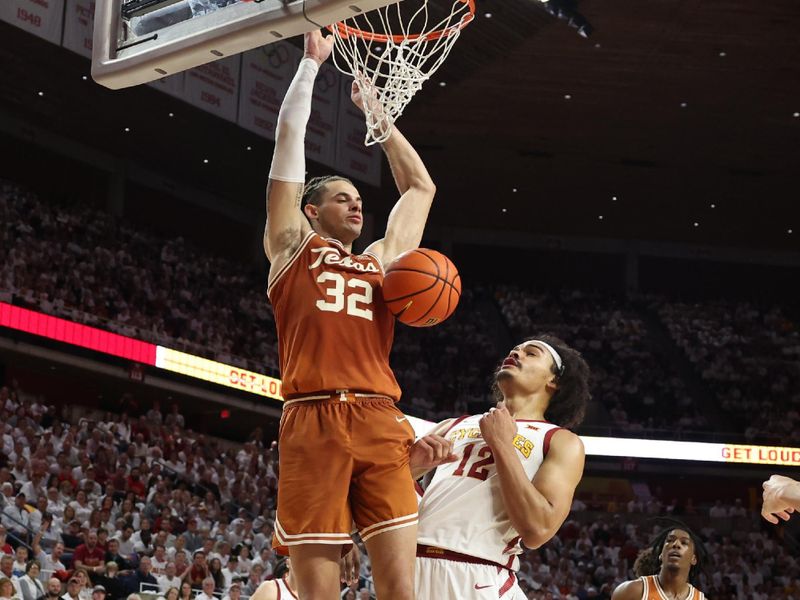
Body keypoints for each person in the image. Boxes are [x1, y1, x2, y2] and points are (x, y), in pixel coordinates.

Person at [265, 25, 441, 600]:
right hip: (312, 416)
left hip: (377, 418)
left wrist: (378, 119)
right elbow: (287, 142)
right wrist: (311, 66)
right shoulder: (291, 246)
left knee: (399, 590)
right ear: (311, 210)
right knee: (316, 592)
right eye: (342, 197)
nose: (357, 203)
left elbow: (419, 189)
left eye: (359, 198)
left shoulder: (382, 261)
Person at [412, 336, 591, 599]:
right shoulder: (449, 425)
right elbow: (386, 495)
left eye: (531, 353)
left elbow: (538, 530)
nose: (517, 353)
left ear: (554, 381)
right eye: (514, 350)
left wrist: (502, 445)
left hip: (478, 572)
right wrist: (408, 470)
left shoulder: (561, 441)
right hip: (408, 563)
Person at [611, 522, 707, 600]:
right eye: (670, 540)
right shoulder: (630, 591)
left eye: (684, 542)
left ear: (693, 559)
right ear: (661, 555)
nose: (676, 544)